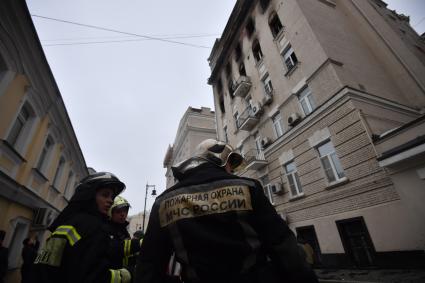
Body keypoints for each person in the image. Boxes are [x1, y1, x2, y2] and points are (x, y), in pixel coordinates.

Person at [135, 139, 318, 283]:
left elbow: (149, 265)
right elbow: (284, 247)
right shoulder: (249, 188)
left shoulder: (164, 202)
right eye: (231, 164)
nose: (232, 170)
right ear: (220, 159)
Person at [33, 172, 132, 283]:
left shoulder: (68, 222)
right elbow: (91, 277)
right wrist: (126, 274)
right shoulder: (93, 226)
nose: (110, 200)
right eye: (105, 195)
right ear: (89, 195)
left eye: (112, 196)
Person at [107, 196, 141, 274]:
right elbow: (116, 249)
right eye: (118, 211)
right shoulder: (108, 229)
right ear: (110, 212)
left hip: (123, 274)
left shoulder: (123, 231)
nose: (123, 214)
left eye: (125, 211)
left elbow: (126, 256)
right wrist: (139, 243)